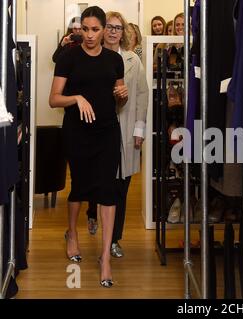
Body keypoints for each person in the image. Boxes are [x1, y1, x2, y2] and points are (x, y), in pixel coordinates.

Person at [49, 6, 128, 288]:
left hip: (107, 132)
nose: (90, 35)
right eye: (86, 28)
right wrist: (77, 98)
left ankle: (105, 256)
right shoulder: (69, 57)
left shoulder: (114, 60)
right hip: (77, 132)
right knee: (80, 187)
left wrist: (123, 94)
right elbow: (54, 99)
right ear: (80, 28)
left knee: (108, 190)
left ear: (106, 29)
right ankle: (72, 233)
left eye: (96, 29)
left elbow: (120, 99)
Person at [87, 11, 148, 259]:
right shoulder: (91, 57)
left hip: (126, 130)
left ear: (124, 32)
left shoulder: (133, 59)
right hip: (98, 130)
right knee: (98, 182)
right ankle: (92, 212)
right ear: (102, 30)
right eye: (109, 27)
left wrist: (139, 129)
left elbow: (142, 95)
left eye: (118, 27)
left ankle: (113, 239)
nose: (113, 31)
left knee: (121, 186)